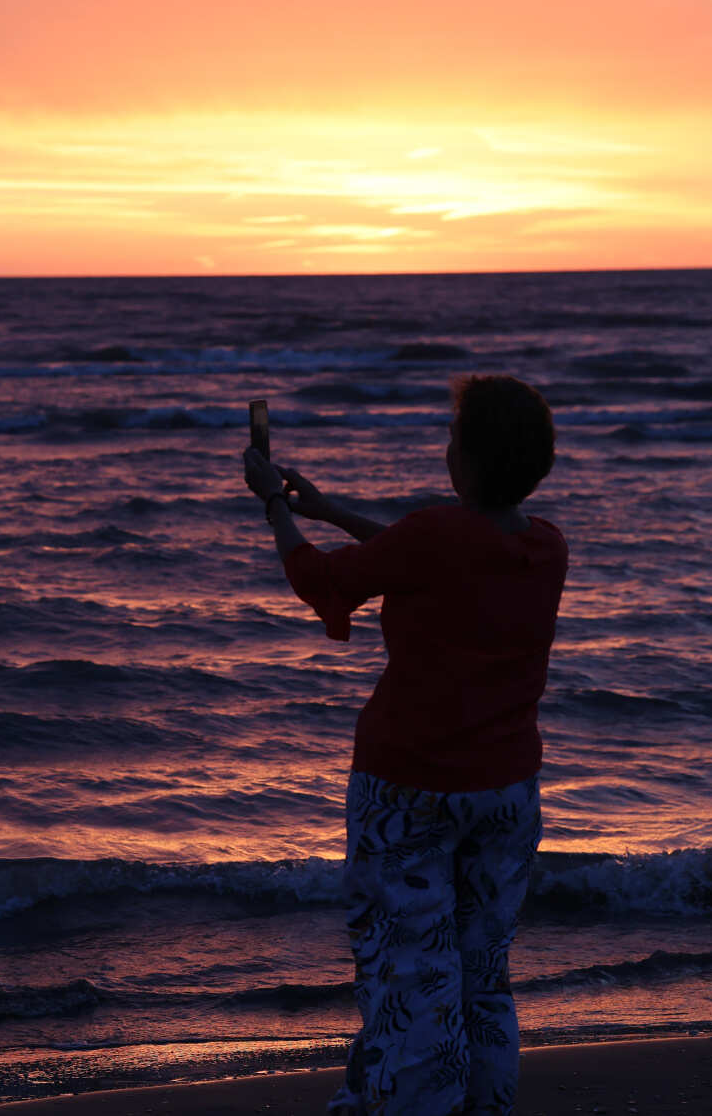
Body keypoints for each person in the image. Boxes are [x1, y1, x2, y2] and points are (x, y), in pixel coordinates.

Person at [242, 374, 568, 1116]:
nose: (446, 450)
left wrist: (273, 504)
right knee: (481, 972)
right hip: (507, 795)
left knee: (408, 972)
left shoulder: (433, 539)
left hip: (408, 793)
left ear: (470, 463)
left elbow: (321, 578)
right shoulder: (546, 547)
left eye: (453, 440)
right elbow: (426, 551)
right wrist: (324, 508)